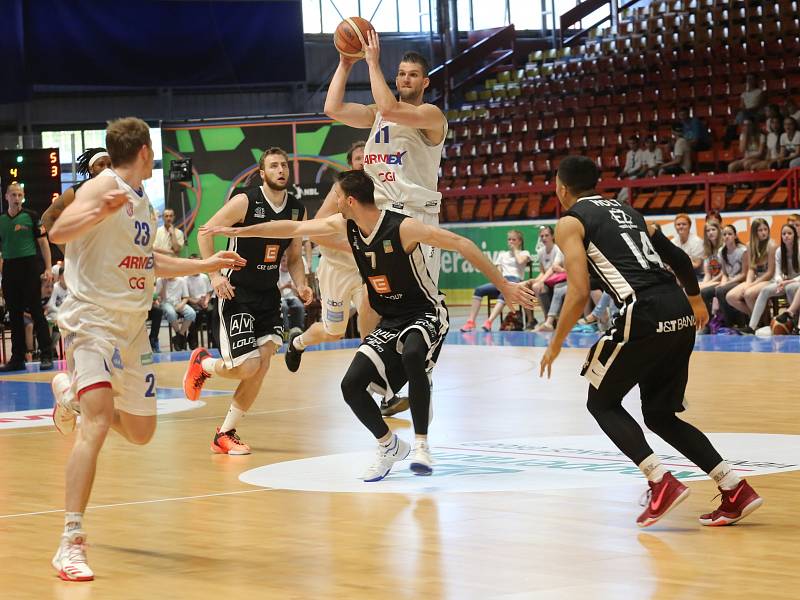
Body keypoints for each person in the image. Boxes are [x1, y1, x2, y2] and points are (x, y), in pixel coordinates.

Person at [200, 169, 534, 480]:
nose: (332, 200)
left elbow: (462, 244)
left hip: (424, 312)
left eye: (336, 195)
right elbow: (290, 228)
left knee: (415, 352)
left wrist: (504, 286)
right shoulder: (344, 226)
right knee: (350, 386)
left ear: (349, 200)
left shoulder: (403, 227)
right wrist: (238, 231)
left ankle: (421, 445)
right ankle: (389, 444)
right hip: (390, 319)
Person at [47, 116, 245, 582]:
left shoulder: (141, 202)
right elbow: (58, 232)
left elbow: (149, 260)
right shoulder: (104, 185)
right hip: (92, 321)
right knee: (97, 422)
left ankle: (70, 394)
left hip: (131, 329)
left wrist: (205, 262)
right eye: (153, 150)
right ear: (143, 152)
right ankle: (70, 542)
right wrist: (97, 209)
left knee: (140, 432)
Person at [539, 155, 762, 528]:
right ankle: (734, 487)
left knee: (601, 402)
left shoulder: (570, 221)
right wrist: (693, 299)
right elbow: (676, 257)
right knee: (659, 414)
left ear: (561, 188)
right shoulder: (631, 212)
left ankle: (660, 481)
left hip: (641, 311)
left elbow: (577, 293)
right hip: (677, 309)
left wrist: (556, 343)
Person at [183, 147, 312, 455]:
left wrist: (302, 284)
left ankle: (224, 433)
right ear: (262, 173)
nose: (281, 170)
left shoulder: (297, 210)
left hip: (269, 295)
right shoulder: (245, 201)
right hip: (237, 292)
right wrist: (215, 276)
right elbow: (204, 232)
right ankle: (205, 364)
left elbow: (294, 257)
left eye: (284, 165)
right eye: (274, 166)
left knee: (262, 365)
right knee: (247, 366)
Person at [0, 182, 54, 371]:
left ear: (23, 197)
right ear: (6, 196)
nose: (16, 198)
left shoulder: (31, 216)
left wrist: (48, 268)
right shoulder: (1, 221)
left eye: (19, 195)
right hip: (10, 268)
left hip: (29, 266)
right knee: (14, 315)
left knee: (37, 313)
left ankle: (47, 355)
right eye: (13, 195)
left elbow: (44, 243)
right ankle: (17, 358)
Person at [460, 229, 531, 332]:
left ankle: (489, 322)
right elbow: (497, 271)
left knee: (504, 293)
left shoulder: (524, 253)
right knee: (479, 290)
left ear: (519, 241)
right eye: (509, 239)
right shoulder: (502, 255)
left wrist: (515, 250)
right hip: (502, 280)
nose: (510, 242)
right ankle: (471, 321)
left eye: (513, 240)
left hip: (515, 280)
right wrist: (499, 282)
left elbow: (521, 261)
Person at [42, 147, 113, 235]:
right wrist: (64, 248)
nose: (106, 169)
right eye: (101, 165)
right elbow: (47, 218)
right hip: (87, 246)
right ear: (91, 169)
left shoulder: (121, 187)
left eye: (109, 165)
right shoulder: (76, 192)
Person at [725, 218, 777, 331]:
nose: (763, 232)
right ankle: (761, 321)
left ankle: (758, 324)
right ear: (754, 232)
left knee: (748, 294)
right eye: (760, 230)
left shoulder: (772, 245)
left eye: (765, 229)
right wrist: (749, 283)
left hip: (770, 279)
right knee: (730, 297)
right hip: (756, 279)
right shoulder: (749, 245)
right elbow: (751, 269)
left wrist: (751, 285)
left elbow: (770, 272)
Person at [156, 276, 195, 350]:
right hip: (165, 303)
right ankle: (180, 337)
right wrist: (164, 285)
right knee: (171, 313)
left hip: (178, 302)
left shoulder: (181, 280)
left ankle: (179, 337)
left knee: (191, 313)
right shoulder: (160, 280)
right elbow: (160, 298)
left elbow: (186, 297)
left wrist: (181, 305)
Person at [671, 213, 704, 277]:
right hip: (679, 274)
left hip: (696, 275)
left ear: (689, 226)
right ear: (675, 226)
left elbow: (697, 264)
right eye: (678, 224)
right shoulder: (672, 242)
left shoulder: (697, 241)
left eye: (684, 224)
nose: (681, 226)